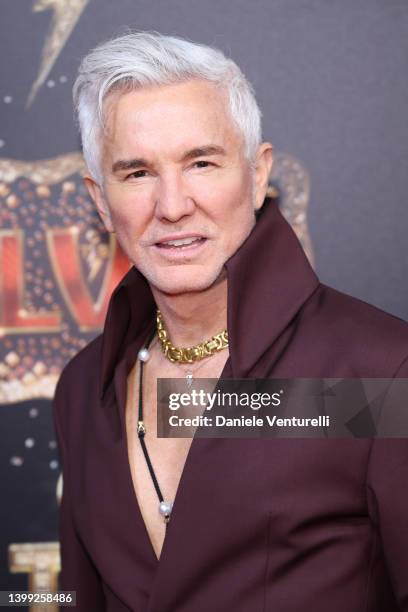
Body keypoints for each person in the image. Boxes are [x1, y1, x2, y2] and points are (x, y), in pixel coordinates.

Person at [53, 31, 408, 611]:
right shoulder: (82, 390)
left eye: (200, 162)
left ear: (258, 172)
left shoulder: (379, 374)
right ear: (100, 199)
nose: (172, 205)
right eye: (137, 173)